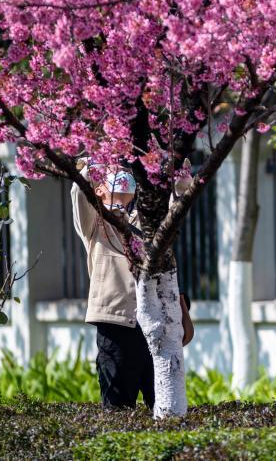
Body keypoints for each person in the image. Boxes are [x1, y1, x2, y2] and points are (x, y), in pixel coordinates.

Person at [71, 163, 194, 409]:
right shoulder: (94, 224)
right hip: (116, 323)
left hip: (156, 322)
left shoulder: (149, 220)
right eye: (111, 174)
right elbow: (78, 192)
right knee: (117, 407)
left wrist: (176, 165)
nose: (121, 175)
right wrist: (96, 162)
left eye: (124, 172)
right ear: (98, 189)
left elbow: (180, 195)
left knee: (164, 404)